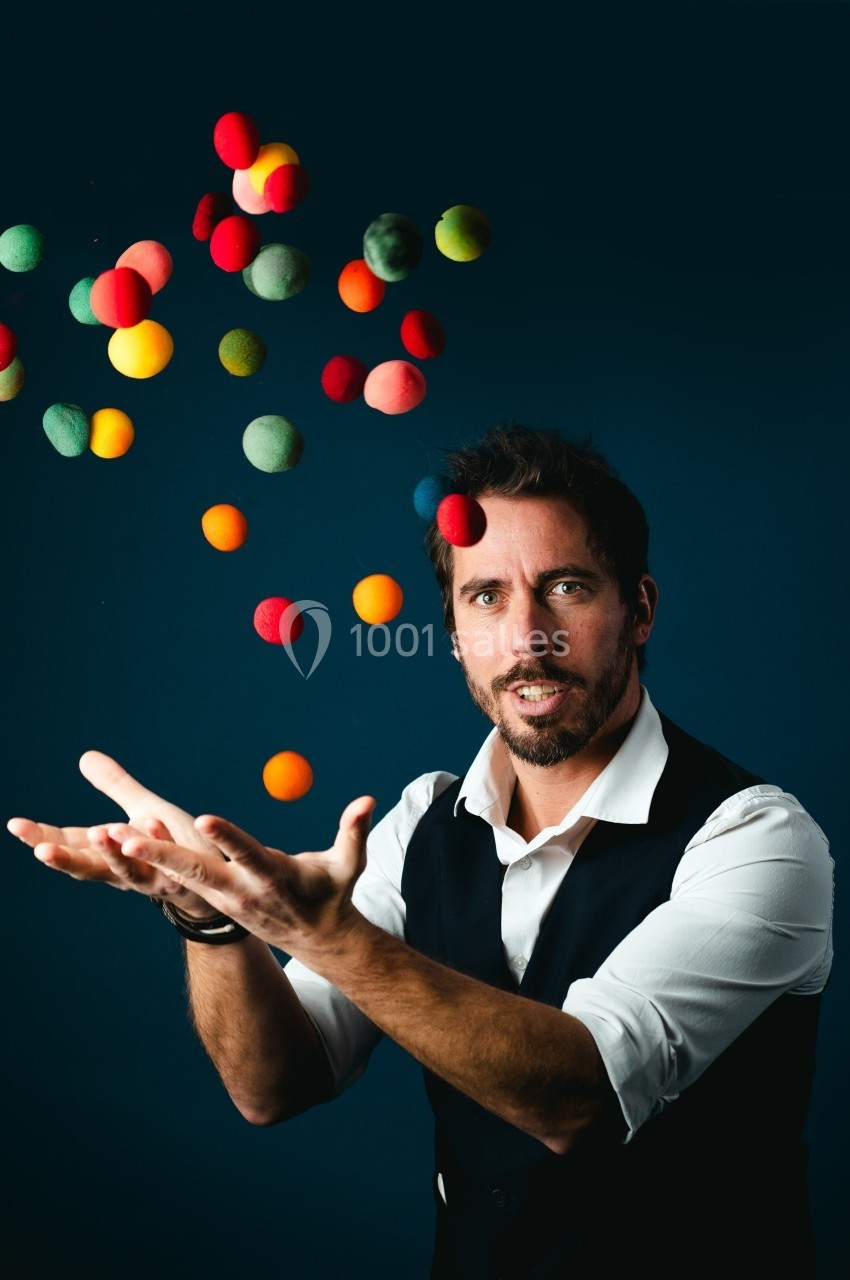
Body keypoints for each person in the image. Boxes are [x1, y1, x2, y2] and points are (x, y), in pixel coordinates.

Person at [10, 423, 834, 1279]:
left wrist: (325, 934)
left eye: (566, 588)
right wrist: (209, 920)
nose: (526, 638)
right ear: (451, 631)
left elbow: (581, 1095)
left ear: (640, 612)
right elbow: (274, 1084)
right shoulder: (419, 826)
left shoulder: (758, 841)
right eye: (485, 598)